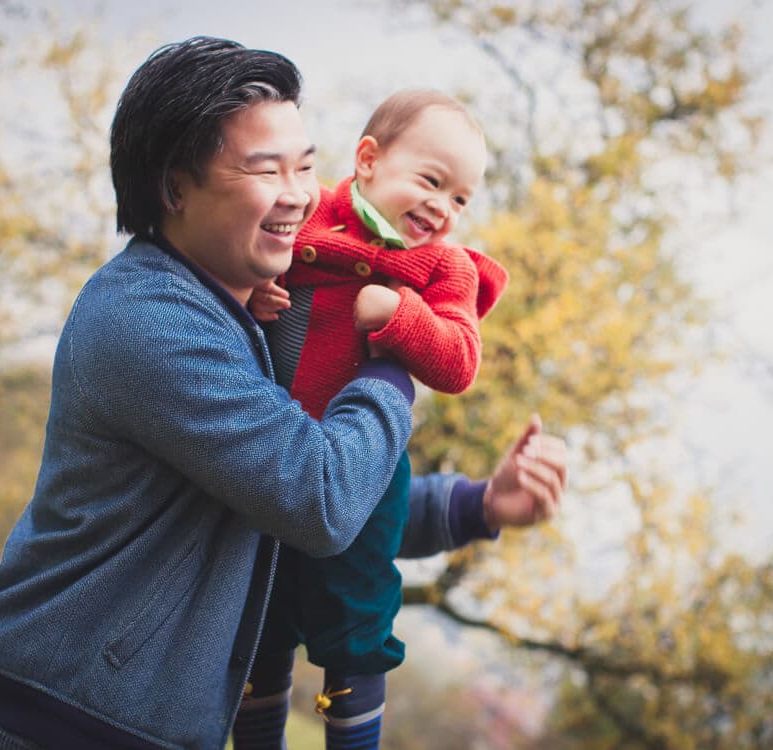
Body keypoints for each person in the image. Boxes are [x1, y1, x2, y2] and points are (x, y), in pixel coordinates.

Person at [0, 36, 567, 750]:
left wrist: (479, 504)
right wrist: (400, 345)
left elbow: (327, 496)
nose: (299, 193)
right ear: (176, 187)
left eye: (304, 165)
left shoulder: (250, 317)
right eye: (264, 168)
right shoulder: (151, 321)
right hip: (63, 717)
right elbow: (320, 496)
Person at [240, 90, 507, 749]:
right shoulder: (308, 216)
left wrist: (397, 315)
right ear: (367, 161)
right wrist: (255, 287)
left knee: (354, 624)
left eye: (460, 199)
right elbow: (242, 260)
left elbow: (458, 360)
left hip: (364, 480)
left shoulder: (442, 266)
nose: (443, 207)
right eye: (430, 180)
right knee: (258, 620)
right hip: (271, 455)